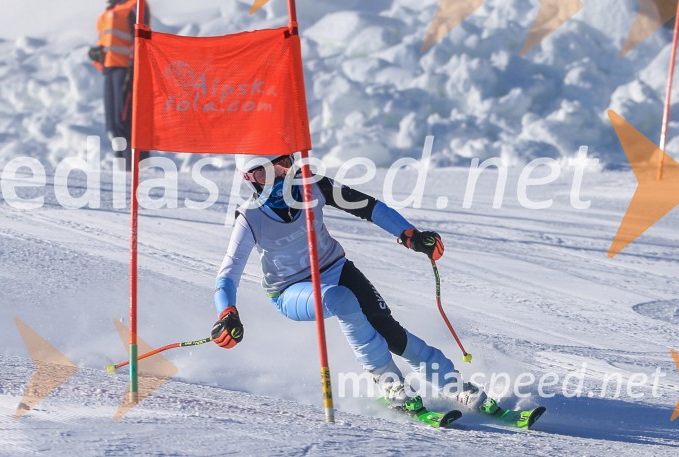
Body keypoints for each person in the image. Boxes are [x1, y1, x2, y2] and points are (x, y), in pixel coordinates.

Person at [210, 154, 489, 412]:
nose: (277, 178)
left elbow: (370, 207)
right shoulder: (250, 217)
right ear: (249, 179)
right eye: (263, 174)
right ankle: (390, 383)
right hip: (290, 291)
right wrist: (227, 312)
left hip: (336, 268)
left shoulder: (314, 186)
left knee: (388, 331)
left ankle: (454, 385)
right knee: (340, 299)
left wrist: (410, 234)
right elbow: (228, 274)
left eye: (281, 165)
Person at [88, 0, 150, 160]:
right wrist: (98, 55)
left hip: (127, 71)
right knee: (113, 126)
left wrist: (134, 70)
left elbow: (141, 40)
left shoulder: (134, 5)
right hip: (110, 71)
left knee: (127, 123)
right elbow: (108, 43)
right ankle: (121, 170)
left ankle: (139, 170)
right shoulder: (107, 13)